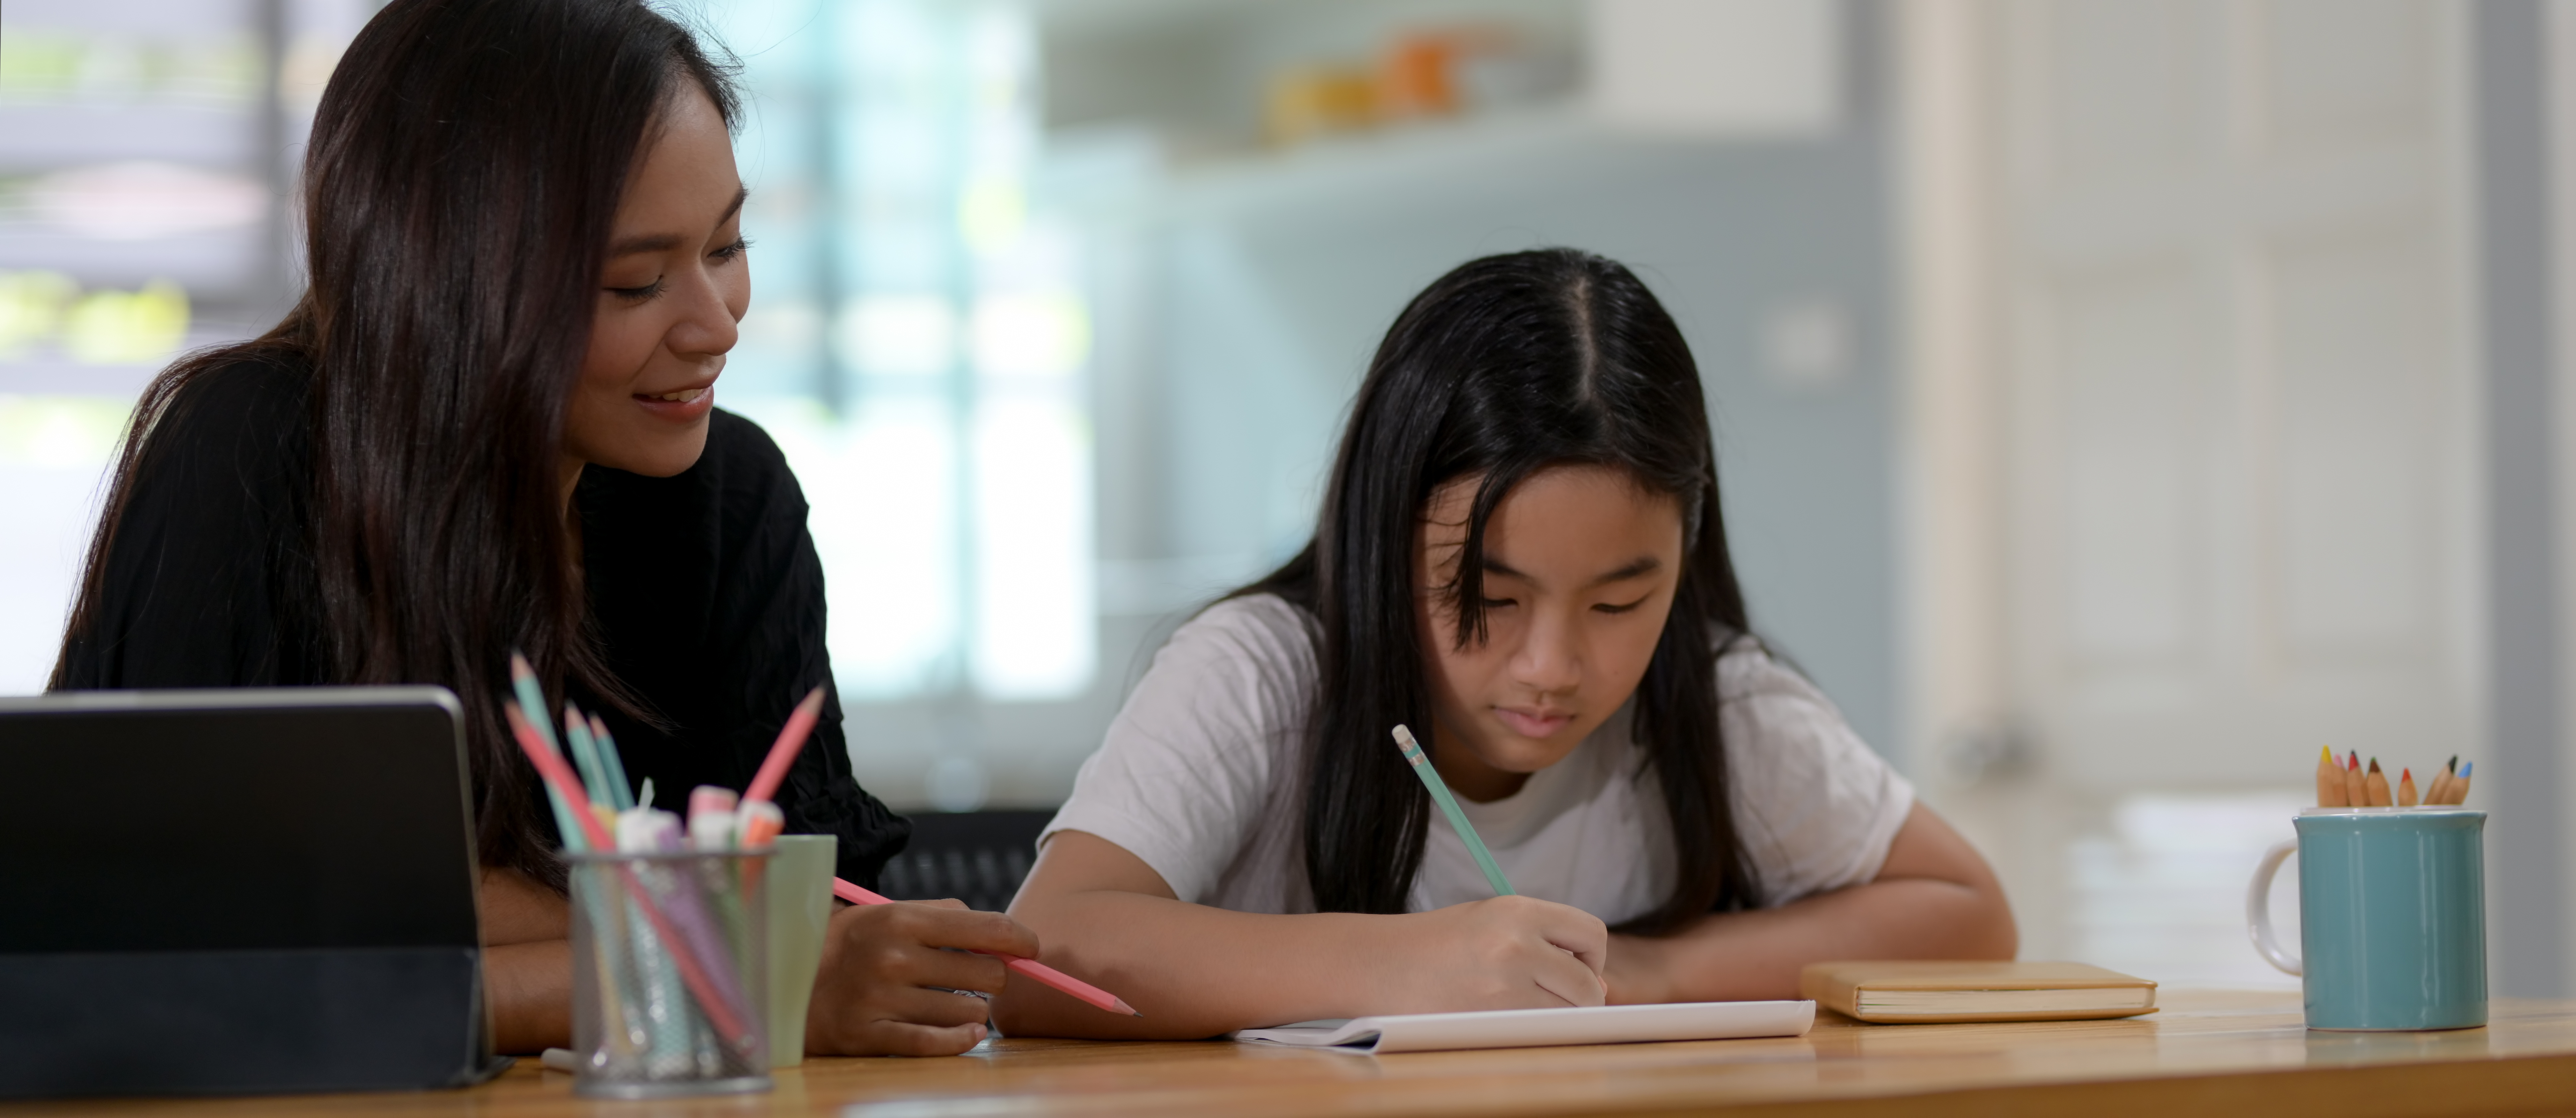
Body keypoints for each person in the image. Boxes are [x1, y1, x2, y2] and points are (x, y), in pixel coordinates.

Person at [50, 0, 1029, 1058]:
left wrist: (671, 955)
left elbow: (823, 920)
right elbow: (175, 939)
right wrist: (706, 968)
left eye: (728, 245)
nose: (717, 322)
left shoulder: (731, 499)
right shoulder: (251, 448)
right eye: (636, 282)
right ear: (456, 287)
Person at [996, 249, 2017, 1038]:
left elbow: (1966, 914)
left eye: (1620, 602)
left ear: (1686, 551)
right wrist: (1404, 963)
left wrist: (1644, 970)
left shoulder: (1709, 700)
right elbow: (1045, 951)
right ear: (1381, 532)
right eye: (1485, 595)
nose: (1551, 667)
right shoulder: (1263, 673)